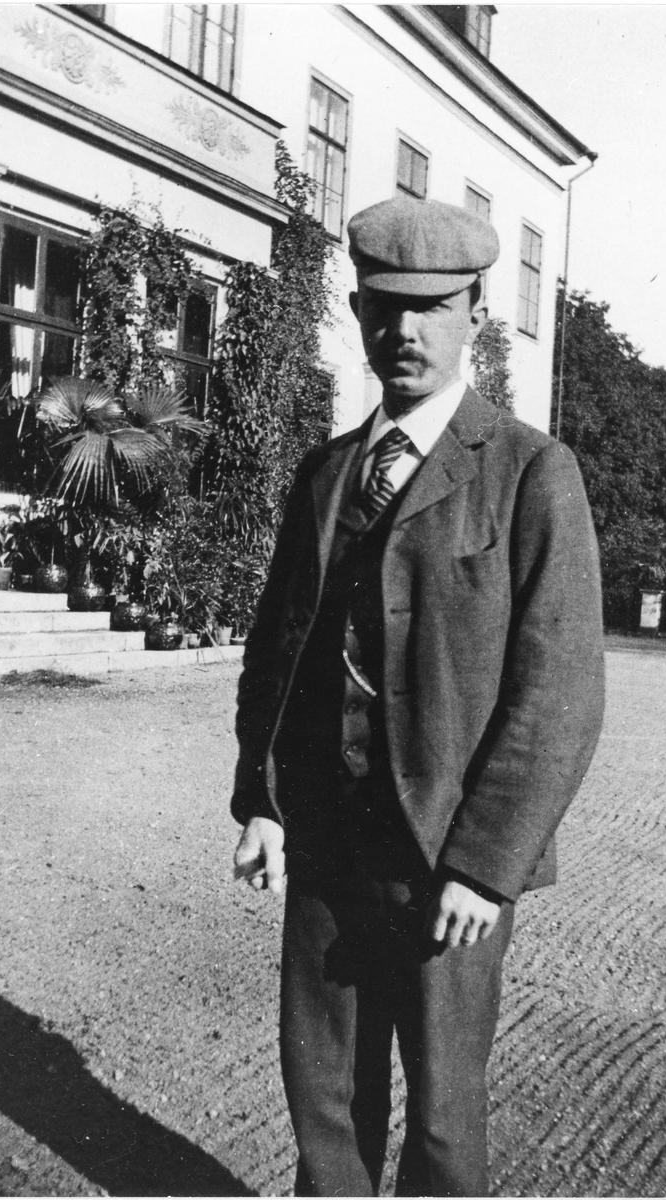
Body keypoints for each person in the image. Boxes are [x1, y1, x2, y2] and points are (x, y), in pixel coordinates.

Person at [231, 196, 605, 1197]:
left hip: (445, 856)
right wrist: (262, 800)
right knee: (324, 1100)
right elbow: (276, 653)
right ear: (356, 309)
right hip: (325, 839)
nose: (404, 330)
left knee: (441, 1114)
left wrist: (486, 866)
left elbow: (558, 691)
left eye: (431, 308)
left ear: (474, 314)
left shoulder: (529, 472)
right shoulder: (325, 473)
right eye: (384, 306)